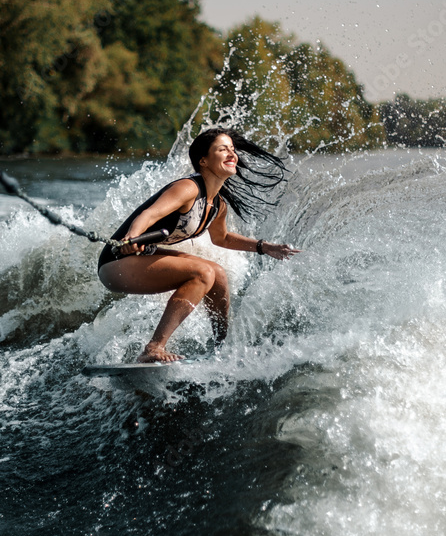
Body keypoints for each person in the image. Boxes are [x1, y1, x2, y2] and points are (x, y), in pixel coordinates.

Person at [98, 127, 300, 363]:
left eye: (232, 150)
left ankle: (221, 349)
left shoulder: (217, 204)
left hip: (142, 257)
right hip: (117, 263)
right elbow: (149, 215)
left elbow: (222, 238)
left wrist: (264, 246)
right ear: (203, 160)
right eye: (223, 149)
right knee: (202, 273)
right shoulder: (188, 188)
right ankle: (153, 348)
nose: (232, 154)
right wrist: (130, 239)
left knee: (218, 274)